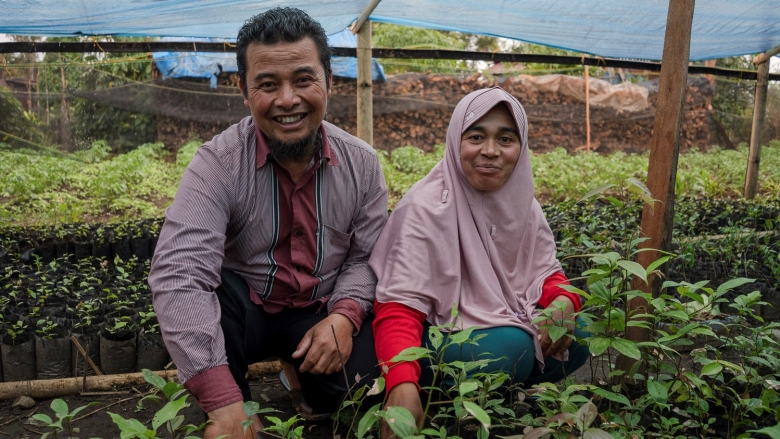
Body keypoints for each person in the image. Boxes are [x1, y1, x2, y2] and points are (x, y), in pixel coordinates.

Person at [148, 7, 388, 439]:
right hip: (247, 311)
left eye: (302, 79)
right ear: (244, 91)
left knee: (364, 393)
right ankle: (229, 398)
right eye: (267, 84)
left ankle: (305, 378)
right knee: (207, 297)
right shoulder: (217, 164)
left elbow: (368, 256)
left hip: (319, 310)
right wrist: (222, 401)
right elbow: (179, 272)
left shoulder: (363, 164)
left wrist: (346, 315)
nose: (287, 100)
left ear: (329, 82)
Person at [369, 87, 589, 437]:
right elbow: (398, 308)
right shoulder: (424, 209)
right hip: (434, 334)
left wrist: (564, 300)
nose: (490, 151)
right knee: (511, 348)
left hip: (500, 323)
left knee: (581, 332)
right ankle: (441, 391)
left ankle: (498, 388)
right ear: (456, 140)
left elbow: (545, 272)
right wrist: (400, 385)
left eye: (505, 138)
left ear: (522, 147)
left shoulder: (523, 204)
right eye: (476, 136)